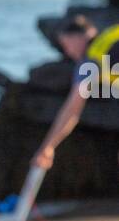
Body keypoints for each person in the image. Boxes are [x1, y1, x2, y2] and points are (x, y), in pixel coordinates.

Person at [32, 13, 119, 172]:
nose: (68, 53)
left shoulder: (92, 59)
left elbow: (73, 109)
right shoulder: (112, 35)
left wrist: (48, 147)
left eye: (66, 45)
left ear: (77, 38)